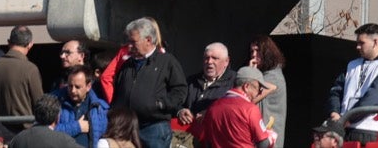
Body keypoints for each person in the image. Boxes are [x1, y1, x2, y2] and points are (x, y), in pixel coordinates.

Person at [111, 18, 187, 148]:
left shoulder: (167, 61)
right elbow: (119, 90)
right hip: (127, 127)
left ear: (148, 40)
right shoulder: (127, 65)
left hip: (154, 127)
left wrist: (161, 104)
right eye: (128, 41)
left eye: (133, 42)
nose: (129, 46)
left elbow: (180, 90)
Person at [328, 23, 378, 144]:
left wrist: (346, 119)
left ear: (375, 42)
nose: (357, 47)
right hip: (342, 128)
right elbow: (336, 91)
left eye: (361, 43)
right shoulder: (352, 65)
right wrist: (334, 112)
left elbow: (373, 100)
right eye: (357, 43)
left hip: (368, 130)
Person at [186, 67, 273, 148]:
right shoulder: (250, 109)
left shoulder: (213, 107)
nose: (259, 93)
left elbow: (208, 142)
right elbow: (263, 144)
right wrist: (271, 136)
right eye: (259, 89)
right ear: (246, 86)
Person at [0, 26, 45, 119]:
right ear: (30, 44)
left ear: (8, 42)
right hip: (23, 127)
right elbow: (39, 103)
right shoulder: (30, 69)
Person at [54, 66, 107, 148]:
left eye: (77, 87)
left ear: (88, 86)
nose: (73, 90)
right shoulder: (55, 101)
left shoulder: (100, 108)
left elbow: (105, 136)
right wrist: (77, 127)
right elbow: (47, 131)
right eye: (70, 86)